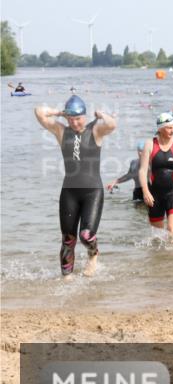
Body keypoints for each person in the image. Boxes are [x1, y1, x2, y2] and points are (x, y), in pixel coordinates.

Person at [34, 95, 117, 278]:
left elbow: (112, 125)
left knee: (86, 235)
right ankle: (67, 280)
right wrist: (59, 113)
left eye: (78, 119)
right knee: (68, 240)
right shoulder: (61, 131)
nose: (75, 123)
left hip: (92, 191)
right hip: (69, 193)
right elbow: (39, 112)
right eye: (71, 119)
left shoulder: (95, 130)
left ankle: (93, 255)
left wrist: (102, 114)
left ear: (84, 116)